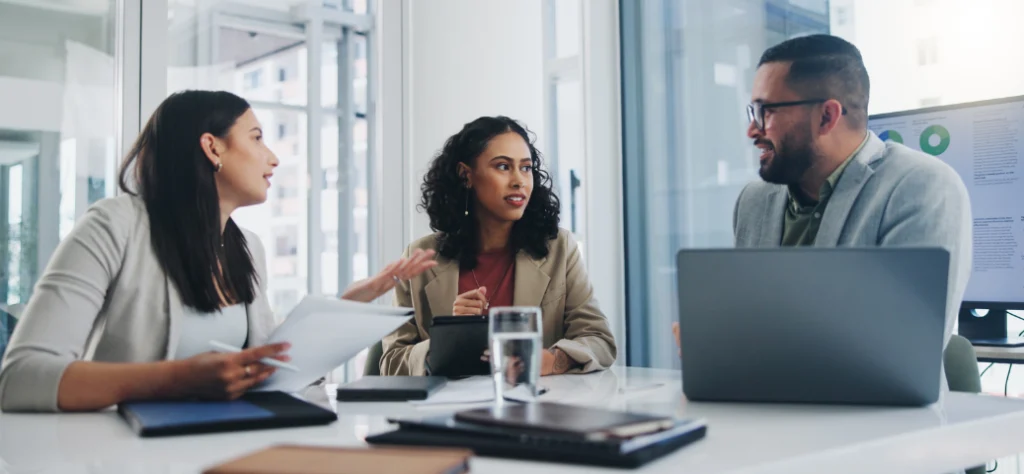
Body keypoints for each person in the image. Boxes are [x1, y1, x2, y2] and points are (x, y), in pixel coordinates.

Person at [0, 90, 436, 412]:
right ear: (213, 148)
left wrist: (346, 307)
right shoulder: (114, 225)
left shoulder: (247, 247)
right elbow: (20, 378)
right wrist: (175, 379)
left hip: (225, 445)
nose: (273, 158)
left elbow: (268, 364)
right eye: (257, 137)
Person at [673, 34, 971, 356]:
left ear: (827, 117)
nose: (752, 130)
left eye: (766, 112)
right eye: (752, 111)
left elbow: (900, 348)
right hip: (763, 402)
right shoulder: (753, 201)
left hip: (876, 408)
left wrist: (740, 341)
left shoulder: (921, 188)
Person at [380, 116, 617, 376]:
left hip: (535, 408)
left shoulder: (560, 249)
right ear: (466, 175)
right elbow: (390, 363)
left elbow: (599, 340)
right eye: (503, 166)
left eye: (526, 168)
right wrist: (448, 339)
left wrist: (549, 360)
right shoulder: (419, 259)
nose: (519, 181)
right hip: (447, 412)